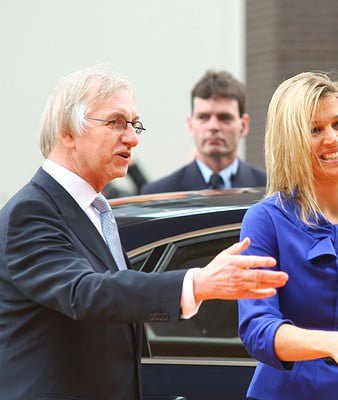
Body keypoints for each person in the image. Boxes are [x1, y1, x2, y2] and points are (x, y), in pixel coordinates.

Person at [0, 66, 288, 400]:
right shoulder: (31, 211)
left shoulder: (93, 210)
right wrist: (196, 282)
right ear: (67, 132)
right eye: (116, 122)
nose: (133, 138)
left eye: (134, 125)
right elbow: (84, 292)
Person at [238, 72, 338, 399]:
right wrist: (332, 343)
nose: (332, 139)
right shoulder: (266, 220)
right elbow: (257, 328)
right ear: (290, 142)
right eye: (314, 130)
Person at [140, 70, 266, 194]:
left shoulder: (270, 189)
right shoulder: (159, 194)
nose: (213, 126)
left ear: (243, 126)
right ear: (190, 125)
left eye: (224, 117)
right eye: (203, 117)